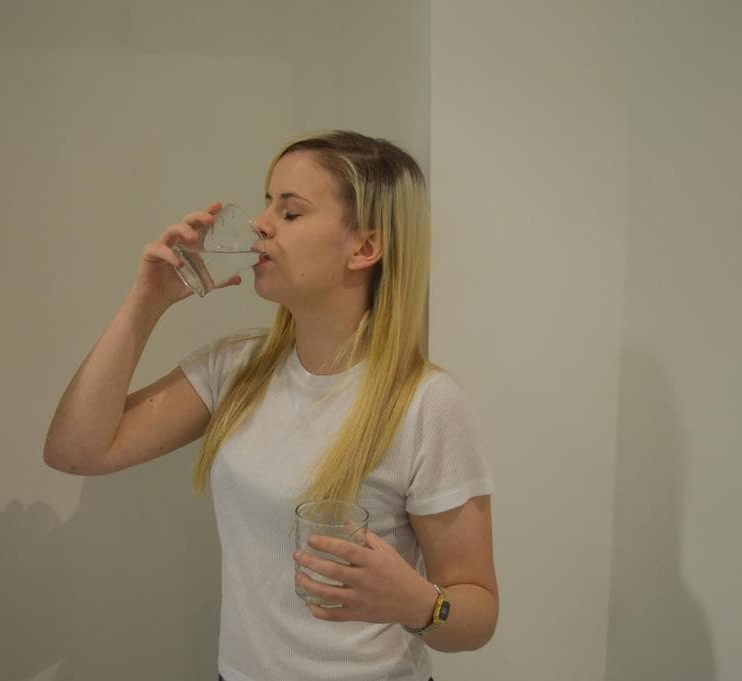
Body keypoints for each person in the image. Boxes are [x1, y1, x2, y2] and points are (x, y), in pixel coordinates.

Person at [44, 130, 498, 681]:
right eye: (266, 203)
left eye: (290, 212)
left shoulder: (427, 404)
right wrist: (146, 302)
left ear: (364, 248)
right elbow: (76, 451)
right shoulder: (236, 369)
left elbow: (476, 616)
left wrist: (417, 603)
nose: (260, 224)